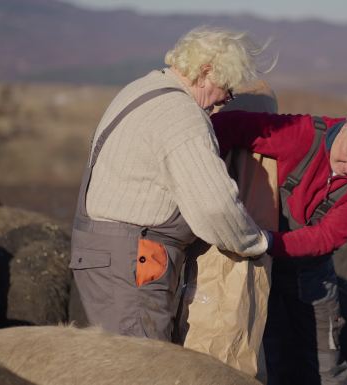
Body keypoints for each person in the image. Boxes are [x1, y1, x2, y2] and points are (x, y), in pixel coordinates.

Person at [68, 26, 273, 342]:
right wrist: (256, 242)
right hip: (135, 258)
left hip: (102, 252)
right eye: (226, 88)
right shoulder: (183, 117)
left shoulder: (142, 88)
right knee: (143, 366)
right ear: (206, 71)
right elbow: (215, 208)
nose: (223, 101)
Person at [211, 104, 347, 385]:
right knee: (265, 351)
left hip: (310, 270)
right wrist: (212, 182)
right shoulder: (302, 135)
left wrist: (263, 241)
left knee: (326, 361)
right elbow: (225, 126)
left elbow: (325, 237)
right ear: (345, 129)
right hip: (256, 264)